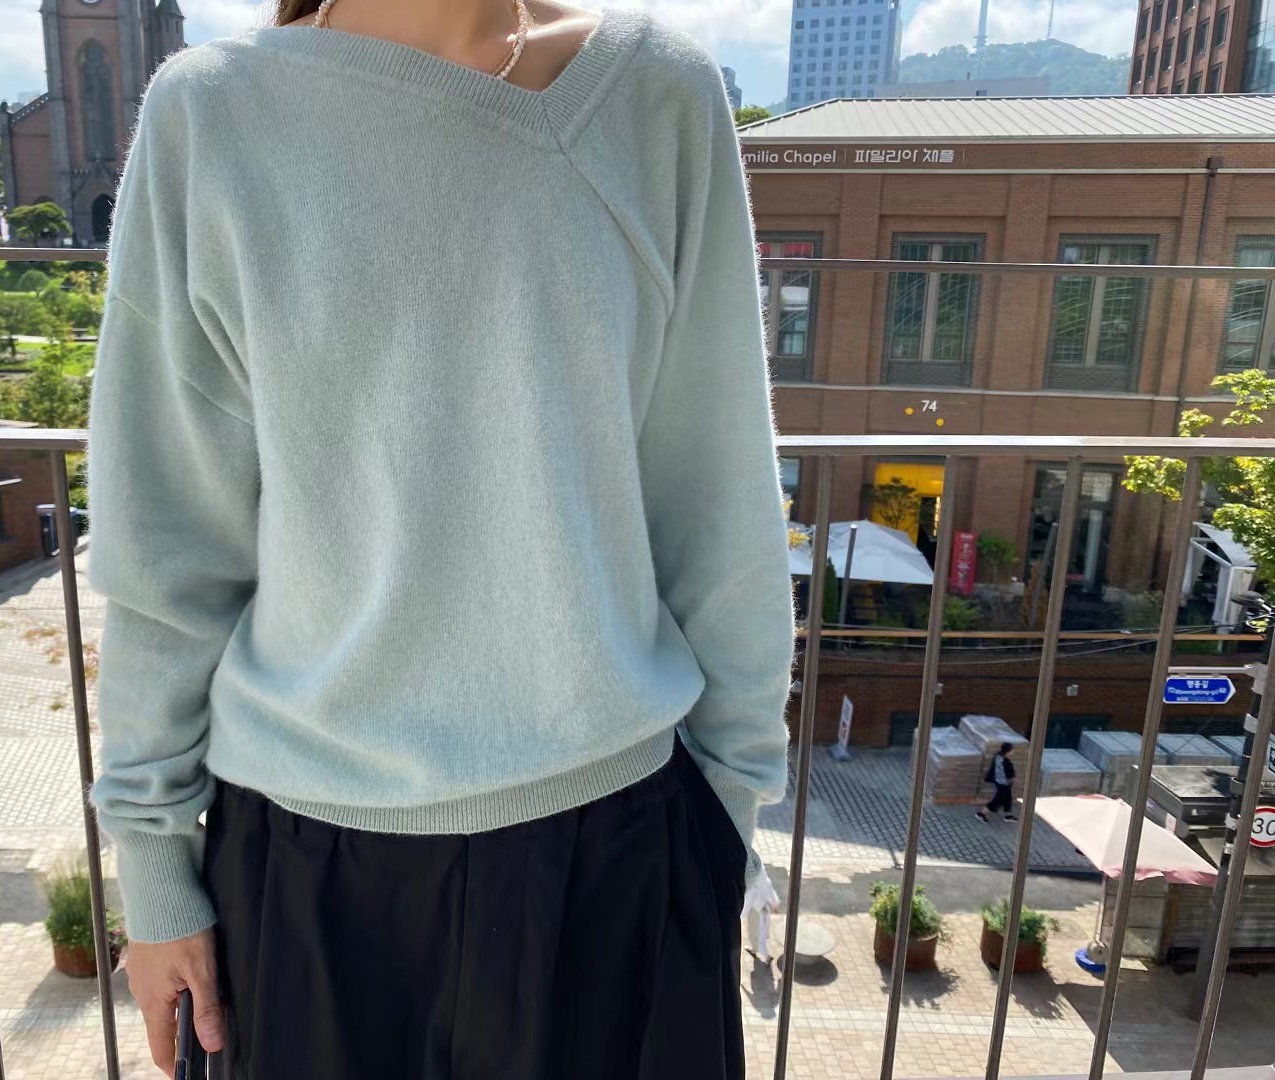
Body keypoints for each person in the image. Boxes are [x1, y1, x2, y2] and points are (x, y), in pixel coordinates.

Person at [87, 1, 794, 1077]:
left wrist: (725, 825)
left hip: (619, 859)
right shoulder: (213, 115)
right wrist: (150, 861)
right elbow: (168, 537)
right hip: (302, 870)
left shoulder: (658, 95)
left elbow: (718, 491)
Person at [977, 743, 1019, 823]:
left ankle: (1008, 815)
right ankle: (981, 814)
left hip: (998, 782)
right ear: (1008, 751)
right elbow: (1010, 775)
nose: (1013, 752)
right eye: (1012, 750)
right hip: (1003, 784)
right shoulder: (1006, 762)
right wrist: (1013, 779)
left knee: (1007, 799)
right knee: (997, 801)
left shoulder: (998, 757)